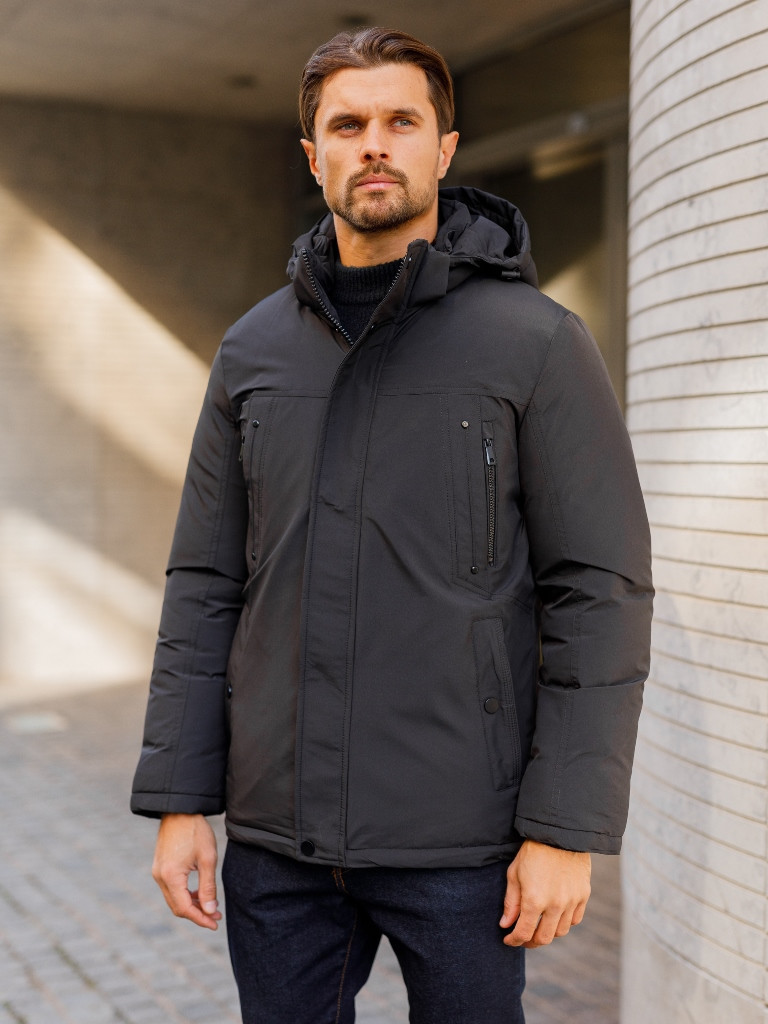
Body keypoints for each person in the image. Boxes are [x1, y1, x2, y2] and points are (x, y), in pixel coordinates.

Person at [131, 26, 653, 1024]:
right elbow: (205, 584)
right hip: (278, 843)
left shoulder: (536, 343)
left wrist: (564, 827)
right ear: (312, 156)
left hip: (462, 845)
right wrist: (180, 798)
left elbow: (599, 591)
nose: (374, 143)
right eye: (347, 125)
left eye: (401, 121)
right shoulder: (252, 350)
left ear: (444, 149)